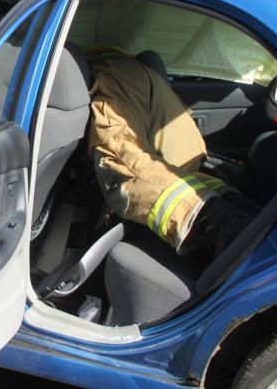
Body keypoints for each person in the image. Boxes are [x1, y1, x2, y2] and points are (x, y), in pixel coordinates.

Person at [88, 50, 254, 256]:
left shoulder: (118, 77)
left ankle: (224, 218)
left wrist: (218, 217)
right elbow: (137, 164)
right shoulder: (133, 75)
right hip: (181, 189)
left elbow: (128, 164)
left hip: (118, 73)